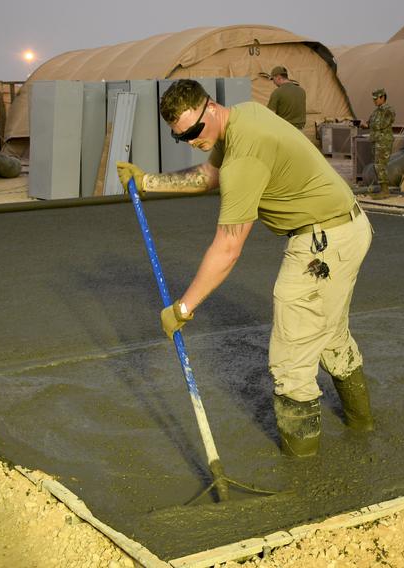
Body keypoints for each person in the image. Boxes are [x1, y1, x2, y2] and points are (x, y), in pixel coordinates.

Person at [116, 79, 374, 458]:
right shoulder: (245, 115)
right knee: (329, 333)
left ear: (211, 108)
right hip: (343, 228)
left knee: (291, 357)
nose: (190, 140)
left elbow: (228, 248)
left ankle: (303, 469)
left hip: (322, 243)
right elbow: (209, 175)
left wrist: (184, 308)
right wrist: (148, 181)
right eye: (180, 137)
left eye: (193, 131)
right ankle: (362, 423)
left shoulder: (244, 158)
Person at [367, 88, 396, 199]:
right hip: (376, 141)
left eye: (376, 99)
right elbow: (371, 123)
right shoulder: (376, 111)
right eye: (373, 99)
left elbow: (381, 125)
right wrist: (365, 124)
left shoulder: (388, 110)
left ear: (382, 97)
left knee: (381, 166)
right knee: (377, 165)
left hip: (383, 142)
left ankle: (385, 191)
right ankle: (382, 189)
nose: (374, 101)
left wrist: (373, 125)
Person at [266, 66, 306, 131]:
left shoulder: (277, 92)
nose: (273, 82)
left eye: (273, 79)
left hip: (285, 130)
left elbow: (271, 114)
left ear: (278, 77)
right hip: (300, 131)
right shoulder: (301, 91)